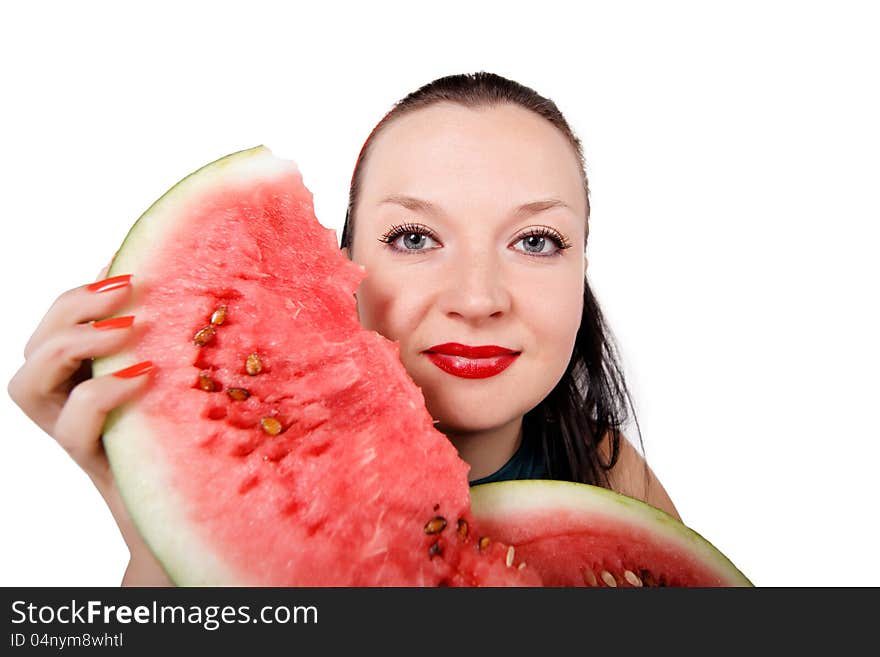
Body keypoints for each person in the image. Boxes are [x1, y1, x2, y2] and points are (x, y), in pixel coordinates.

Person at [7, 71, 679, 587]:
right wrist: (162, 544)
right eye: (414, 236)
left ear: (583, 269)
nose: (478, 299)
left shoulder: (612, 473)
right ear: (341, 267)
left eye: (536, 240)